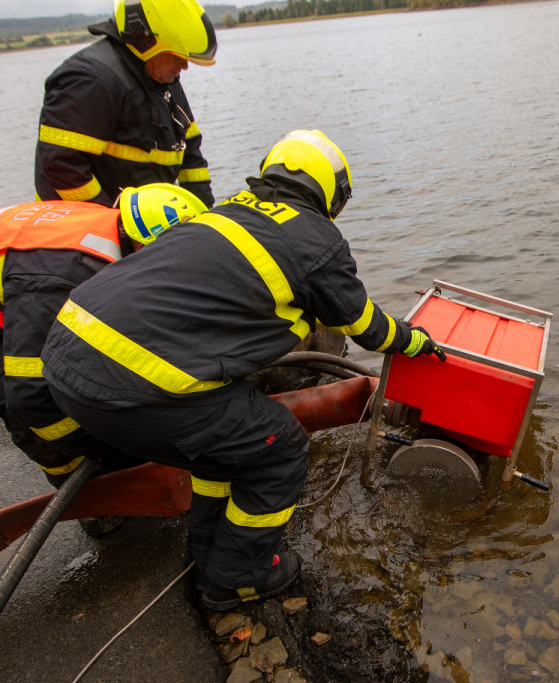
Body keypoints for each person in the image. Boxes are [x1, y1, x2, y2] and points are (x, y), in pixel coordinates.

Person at [40, 129, 447, 609]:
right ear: (333, 193)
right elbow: (365, 326)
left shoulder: (222, 212)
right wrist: (415, 341)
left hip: (65, 361)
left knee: (223, 450)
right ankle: (238, 577)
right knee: (280, 447)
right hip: (133, 388)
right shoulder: (317, 240)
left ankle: (209, 551)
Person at [0, 185, 207, 533]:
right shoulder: (60, 279)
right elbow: (31, 396)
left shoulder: (118, 236)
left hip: (17, 272)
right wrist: (106, 451)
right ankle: (88, 500)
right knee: (21, 396)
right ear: (142, 246)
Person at [34, 0, 217, 209]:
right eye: (175, 56)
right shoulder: (91, 80)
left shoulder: (162, 77)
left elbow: (191, 153)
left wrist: (204, 215)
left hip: (139, 228)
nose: (184, 66)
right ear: (144, 41)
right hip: (76, 233)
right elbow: (62, 166)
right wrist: (116, 226)